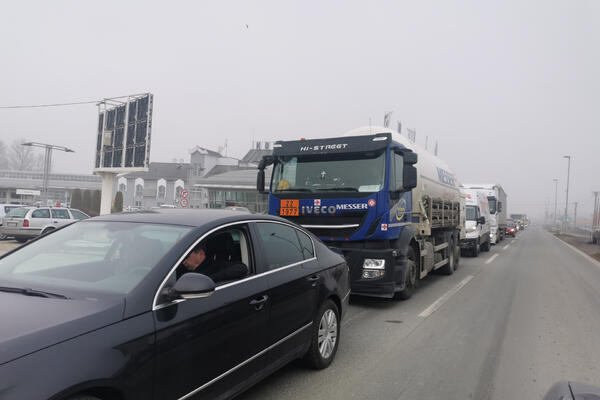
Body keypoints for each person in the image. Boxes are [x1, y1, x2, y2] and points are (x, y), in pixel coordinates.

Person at [176, 242, 247, 283]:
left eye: (186, 257)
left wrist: (209, 280)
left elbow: (242, 268)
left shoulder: (217, 265)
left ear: (200, 253)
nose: (183, 262)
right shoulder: (177, 267)